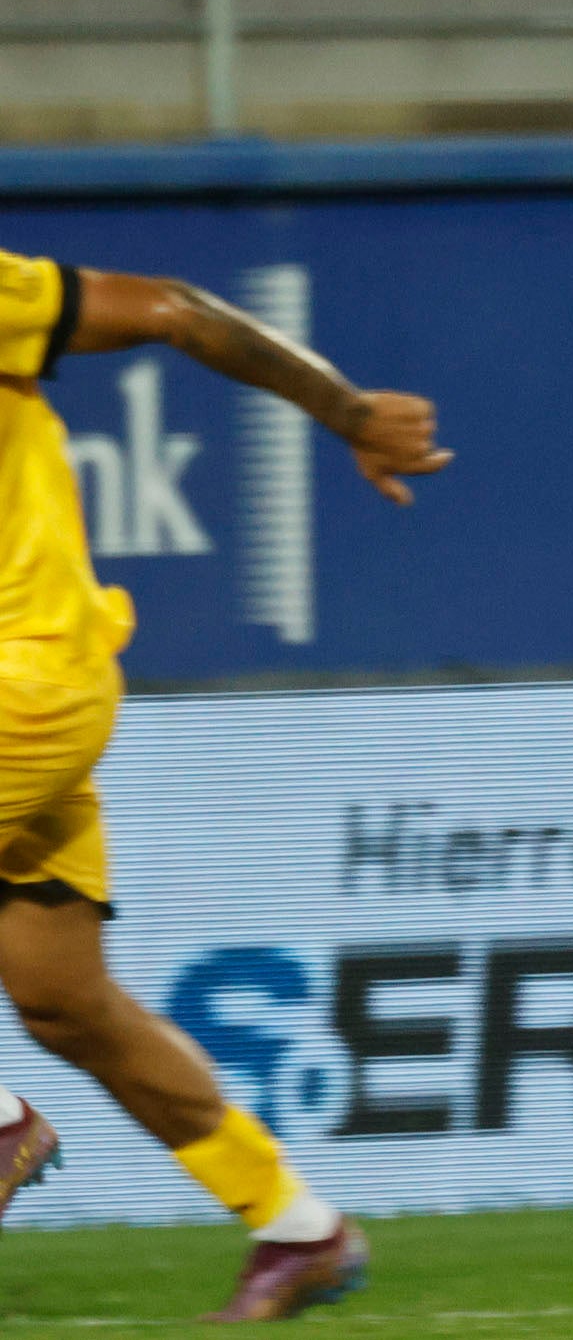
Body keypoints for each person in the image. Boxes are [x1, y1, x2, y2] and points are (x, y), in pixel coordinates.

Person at [0, 242, 449, 1315]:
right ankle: (302, 1229)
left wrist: (341, 408)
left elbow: (171, 310)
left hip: (27, 675)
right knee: (64, 1002)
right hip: (35, 695)